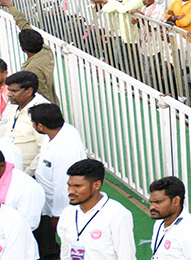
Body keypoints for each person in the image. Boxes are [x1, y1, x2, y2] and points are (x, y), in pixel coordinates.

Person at [29, 103, 86, 259]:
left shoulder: (65, 151)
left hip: (60, 209)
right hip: (47, 201)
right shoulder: (60, 132)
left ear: (40, 126)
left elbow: (63, 186)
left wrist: (57, 215)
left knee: (68, 242)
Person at [56, 159, 135, 260]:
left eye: (77, 186)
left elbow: (126, 256)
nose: (71, 191)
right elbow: (65, 251)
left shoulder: (117, 214)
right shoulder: (67, 213)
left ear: (96, 185)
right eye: (69, 185)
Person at [147, 176, 191, 259]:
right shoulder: (159, 223)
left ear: (176, 201)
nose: (152, 207)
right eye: (151, 202)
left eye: (157, 202)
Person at [0, 71, 50, 176]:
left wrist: (28, 174)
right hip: (8, 167)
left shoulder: (42, 111)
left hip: (26, 172)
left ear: (29, 91)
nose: (9, 94)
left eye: (14, 91)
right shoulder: (14, 103)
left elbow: (44, 149)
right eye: (9, 90)